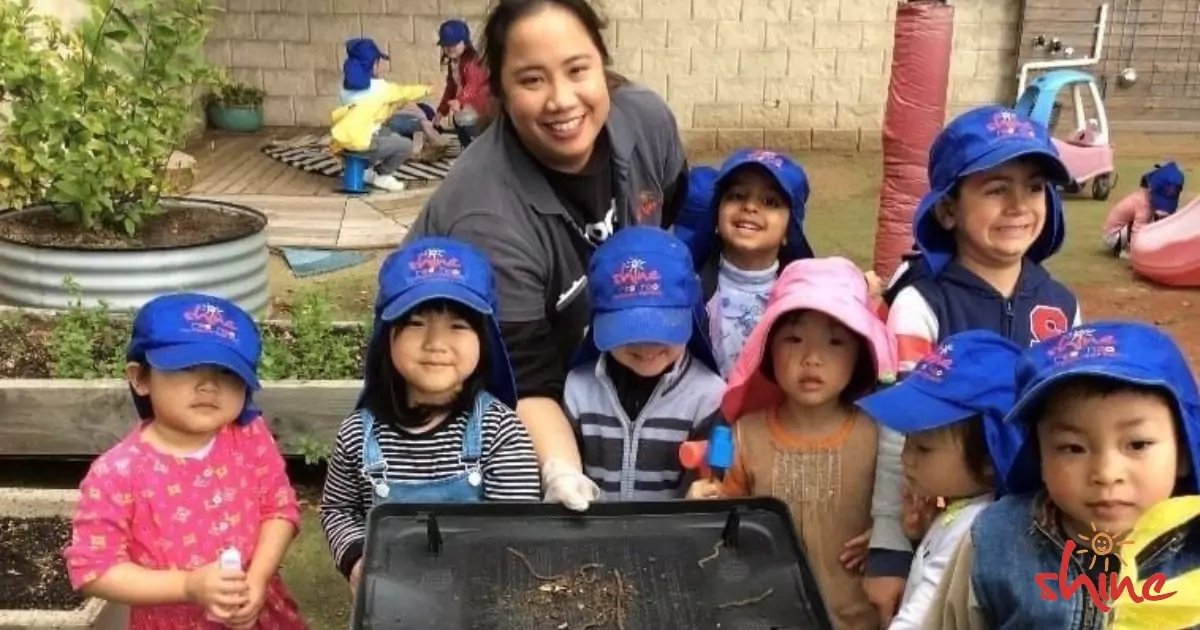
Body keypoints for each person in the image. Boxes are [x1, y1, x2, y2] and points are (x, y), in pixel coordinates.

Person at [402, 0, 691, 513]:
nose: (562, 100)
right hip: (476, 403)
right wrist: (562, 471)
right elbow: (524, 379)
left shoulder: (646, 122)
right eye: (532, 80)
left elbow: (673, 233)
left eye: (578, 70)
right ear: (501, 92)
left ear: (602, 64)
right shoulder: (486, 214)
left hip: (594, 361)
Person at [867, 105, 1083, 623]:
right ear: (947, 210)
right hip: (949, 536)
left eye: (1033, 187)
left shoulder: (1063, 306)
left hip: (1050, 536)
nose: (1018, 205)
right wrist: (890, 546)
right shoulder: (921, 306)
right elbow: (901, 436)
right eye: (994, 188)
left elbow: (1075, 423)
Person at [924, 321, 1200, 629]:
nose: (1106, 474)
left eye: (1137, 444)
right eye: (1073, 448)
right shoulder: (994, 540)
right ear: (1039, 455)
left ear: (1184, 453)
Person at [63, 294, 306, 629]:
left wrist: (259, 578)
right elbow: (95, 570)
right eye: (187, 367)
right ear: (140, 378)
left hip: (261, 610)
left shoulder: (249, 435)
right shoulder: (117, 474)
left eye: (226, 370)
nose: (208, 385)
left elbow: (279, 508)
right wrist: (188, 586)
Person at [688, 256, 898, 630]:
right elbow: (725, 531)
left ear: (861, 355)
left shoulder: (881, 436)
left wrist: (889, 535)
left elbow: (917, 510)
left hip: (861, 618)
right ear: (768, 349)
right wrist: (704, 509)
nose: (812, 358)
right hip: (767, 615)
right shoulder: (744, 435)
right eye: (794, 339)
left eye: (835, 341)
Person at [320, 238, 541, 592]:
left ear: (484, 340)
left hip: (480, 591)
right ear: (386, 337)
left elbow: (514, 527)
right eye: (417, 323)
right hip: (390, 597)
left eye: (458, 326)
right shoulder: (357, 434)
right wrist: (358, 558)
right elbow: (339, 509)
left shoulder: (499, 429)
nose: (436, 343)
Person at [855, 331, 1023, 630]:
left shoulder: (976, 532)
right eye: (908, 440)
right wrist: (922, 533)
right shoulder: (969, 509)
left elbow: (924, 614)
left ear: (989, 458)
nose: (906, 457)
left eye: (924, 448)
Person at [563, 227, 724, 500]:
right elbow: (569, 470)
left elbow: (708, 481)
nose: (647, 346)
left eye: (663, 329)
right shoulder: (579, 389)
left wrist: (697, 500)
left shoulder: (707, 396)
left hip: (671, 537)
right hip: (592, 536)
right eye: (629, 330)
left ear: (689, 314)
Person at [687, 149, 815, 377]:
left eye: (770, 201)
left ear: (790, 230)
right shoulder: (687, 288)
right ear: (716, 215)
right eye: (737, 196)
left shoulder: (808, 300)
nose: (750, 207)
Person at [337, 37, 440, 190]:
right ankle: (381, 175)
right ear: (373, 65)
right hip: (364, 144)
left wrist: (393, 106)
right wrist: (429, 89)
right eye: (378, 62)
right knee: (406, 145)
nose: (380, 66)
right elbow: (405, 92)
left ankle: (363, 170)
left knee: (389, 132)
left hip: (343, 143)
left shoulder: (343, 87)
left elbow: (370, 111)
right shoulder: (380, 87)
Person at [1102, 161, 1185, 258]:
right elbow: (1137, 232)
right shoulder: (1143, 204)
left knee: (1153, 222)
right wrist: (1138, 255)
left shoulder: (1148, 197)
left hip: (1122, 232)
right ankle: (1125, 251)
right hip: (1113, 237)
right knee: (1143, 225)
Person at [434, 19, 492, 148]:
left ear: (465, 42)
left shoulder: (472, 62)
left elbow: (473, 85)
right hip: (464, 105)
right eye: (446, 45)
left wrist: (459, 101)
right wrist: (441, 111)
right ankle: (468, 151)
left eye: (454, 44)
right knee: (459, 120)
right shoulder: (453, 63)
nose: (449, 48)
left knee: (467, 122)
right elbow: (450, 89)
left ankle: (478, 152)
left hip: (479, 107)